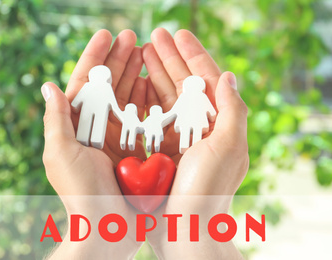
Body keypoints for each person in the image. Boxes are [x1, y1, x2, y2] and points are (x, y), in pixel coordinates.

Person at [41, 28, 248, 259]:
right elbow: (112, 105)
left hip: (187, 123)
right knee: (91, 129)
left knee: (188, 136)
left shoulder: (195, 96)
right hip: (104, 117)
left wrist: (98, 232)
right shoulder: (92, 88)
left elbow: (119, 106)